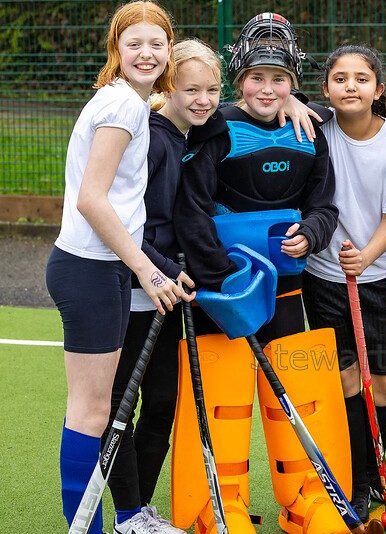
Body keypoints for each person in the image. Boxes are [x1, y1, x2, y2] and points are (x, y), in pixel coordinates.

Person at [171, 13, 340, 533]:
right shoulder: (214, 125)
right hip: (223, 292)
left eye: (280, 78)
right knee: (224, 403)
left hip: (287, 290)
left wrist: (312, 232)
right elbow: (189, 209)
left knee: (295, 396)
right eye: (257, 77)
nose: (268, 89)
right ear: (239, 75)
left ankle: (303, 500)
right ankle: (221, 506)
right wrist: (220, 276)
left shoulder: (308, 129)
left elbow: (325, 206)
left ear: (293, 82)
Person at [45, 0, 192, 534]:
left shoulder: (132, 102)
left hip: (100, 267)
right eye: (135, 44)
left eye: (158, 44)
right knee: (91, 410)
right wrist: (148, 272)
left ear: (169, 50)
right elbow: (92, 200)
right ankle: (84, 527)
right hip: (89, 270)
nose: (147, 53)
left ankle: (115, 519)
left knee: (96, 406)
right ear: (116, 51)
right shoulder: (123, 107)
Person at [103, 39, 222, 534]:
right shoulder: (151, 138)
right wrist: (160, 268)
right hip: (135, 290)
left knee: (162, 404)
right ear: (168, 86)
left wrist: (303, 102)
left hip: (168, 292)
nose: (203, 99)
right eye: (190, 88)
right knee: (121, 408)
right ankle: (129, 513)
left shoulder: (185, 133)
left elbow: (250, 105)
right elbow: (126, 224)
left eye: (212, 89)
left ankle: (140, 514)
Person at [301, 44, 386, 521]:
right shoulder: (313, 130)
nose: (350, 86)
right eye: (339, 78)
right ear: (326, 88)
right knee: (349, 380)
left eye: (360, 78)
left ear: (378, 89)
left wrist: (368, 257)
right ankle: (361, 480)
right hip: (325, 279)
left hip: (373, 279)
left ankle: (379, 464)